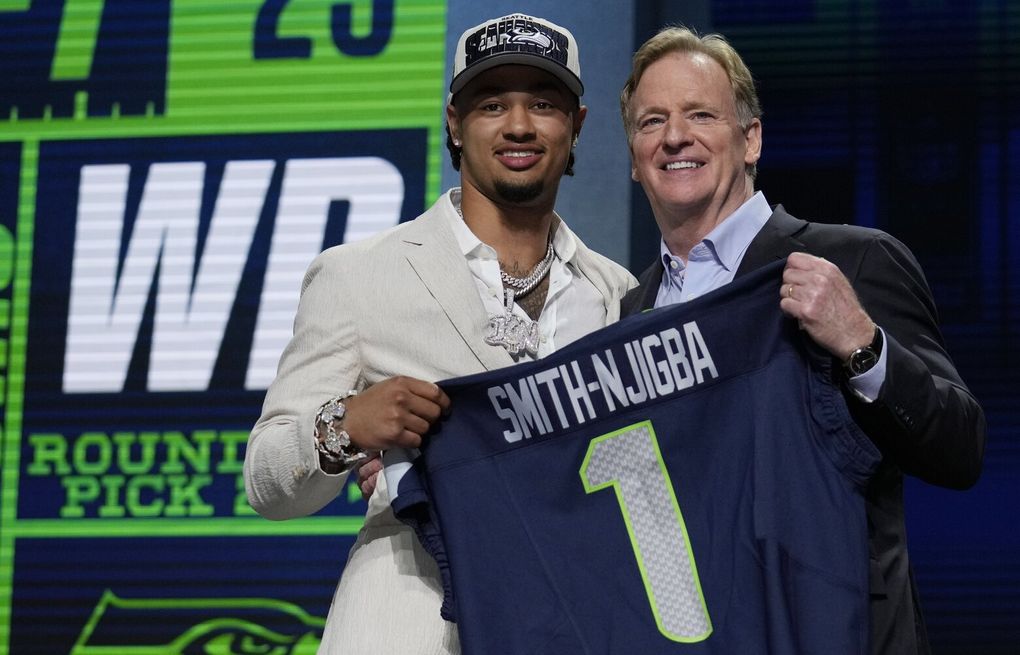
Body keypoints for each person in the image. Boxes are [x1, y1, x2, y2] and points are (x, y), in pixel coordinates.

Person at [244, 13, 635, 654]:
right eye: (491, 104)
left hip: (574, 623)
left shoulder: (616, 294)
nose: (518, 125)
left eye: (543, 103)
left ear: (577, 126)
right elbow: (266, 480)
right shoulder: (358, 275)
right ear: (454, 123)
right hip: (409, 622)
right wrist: (347, 426)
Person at [617, 26, 985, 655]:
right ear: (632, 155)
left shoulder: (856, 261)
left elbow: (960, 447)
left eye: (700, 114)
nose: (674, 136)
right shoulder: (631, 312)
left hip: (838, 631)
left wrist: (862, 345)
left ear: (751, 137)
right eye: (652, 121)